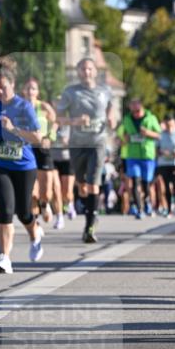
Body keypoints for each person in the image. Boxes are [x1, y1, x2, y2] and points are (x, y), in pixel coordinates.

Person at [0, 61, 43, 273]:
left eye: (2, 88)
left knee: (24, 212)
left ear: (12, 84)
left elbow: (37, 137)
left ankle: (35, 235)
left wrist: (13, 129)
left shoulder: (24, 107)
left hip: (24, 166)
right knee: (5, 211)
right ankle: (5, 258)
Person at [56, 58, 115, 244]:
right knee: (81, 185)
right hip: (77, 144)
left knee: (93, 182)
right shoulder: (70, 92)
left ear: (95, 71)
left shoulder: (105, 91)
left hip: (97, 142)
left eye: (89, 69)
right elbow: (58, 118)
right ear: (78, 72)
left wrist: (111, 117)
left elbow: (111, 106)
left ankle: (90, 225)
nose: (86, 72)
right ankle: (90, 211)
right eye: (82, 69)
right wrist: (74, 122)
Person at [22, 78, 63, 228]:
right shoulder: (20, 107)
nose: (30, 91)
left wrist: (49, 137)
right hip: (27, 149)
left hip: (43, 149)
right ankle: (35, 222)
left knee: (46, 191)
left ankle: (45, 204)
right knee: (32, 190)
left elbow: (56, 123)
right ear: (23, 91)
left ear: (37, 92)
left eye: (33, 88)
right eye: (28, 88)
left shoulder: (44, 107)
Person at [119, 98, 161, 218]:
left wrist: (148, 133)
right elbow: (121, 134)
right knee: (135, 181)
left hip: (147, 155)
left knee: (146, 183)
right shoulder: (127, 119)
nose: (135, 111)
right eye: (133, 107)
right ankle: (139, 209)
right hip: (132, 155)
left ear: (141, 106)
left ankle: (147, 202)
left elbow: (159, 135)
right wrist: (124, 138)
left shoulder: (151, 118)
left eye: (137, 108)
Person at [155, 114, 175, 216]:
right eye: (167, 125)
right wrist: (162, 152)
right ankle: (169, 208)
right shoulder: (161, 134)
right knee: (166, 186)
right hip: (164, 163)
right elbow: (157, 149)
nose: (169, 127)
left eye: (171, 125)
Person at [51, 124, 76, 219]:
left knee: (67, 192)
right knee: (56, 189)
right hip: (52, 159)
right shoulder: (50, 124)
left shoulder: (70, 124)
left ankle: (69, 204)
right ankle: (59, 216)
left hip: (67, 159)